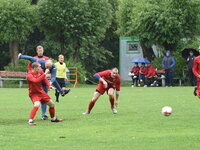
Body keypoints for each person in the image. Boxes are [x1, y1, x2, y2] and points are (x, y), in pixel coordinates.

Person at [27, 45, 50, 120]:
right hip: (36, 82)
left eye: (41, 50)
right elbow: (30, 69)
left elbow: (50, 68)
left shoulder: (47, 59)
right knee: (37, 102)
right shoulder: (33, 59)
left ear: (43, 50)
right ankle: (31, 119)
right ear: (37, 51)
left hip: (43, 81)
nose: (40, 51)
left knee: (45, 100)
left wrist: (49, 84)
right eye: (39, 50)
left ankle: (43, 115)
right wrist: (33, 75)